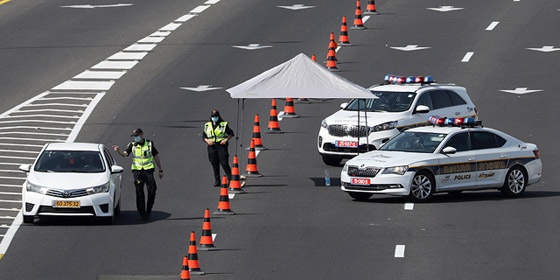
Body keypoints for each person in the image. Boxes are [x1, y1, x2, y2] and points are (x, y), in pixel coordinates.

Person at [113, 128, 163, 221]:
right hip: (137, 172)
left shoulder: (149, 144)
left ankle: (148, 210)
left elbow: (155, 156)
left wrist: (160, 170)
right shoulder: (132, 145)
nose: (135, 138)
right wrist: (118, 150)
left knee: (152, 190)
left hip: (148, 171)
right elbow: (125, 154)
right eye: (134, 136)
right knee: (139, 192)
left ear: (142, 134)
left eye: (137, 136)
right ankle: (141, 213)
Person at [203, 110, 234, 186]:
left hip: (221, 146)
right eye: (213, 116)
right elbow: (204, 136)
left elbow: (231, 133)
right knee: (214, 163)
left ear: (218, 116)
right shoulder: (207, 125)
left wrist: (225, 140)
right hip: (212, 146)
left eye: (216, 116)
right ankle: (217, 180)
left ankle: (230, 179)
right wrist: (207, 141)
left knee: (224, 163)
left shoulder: (223, 124)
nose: (214, 118)